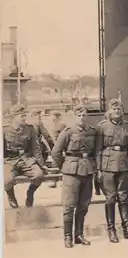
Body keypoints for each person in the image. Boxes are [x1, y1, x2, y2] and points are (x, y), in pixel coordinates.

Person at [51, 104, 98, 248]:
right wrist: (65, 167)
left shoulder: (92, 132)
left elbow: (96, 151)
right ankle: (67, 236)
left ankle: (79, 234)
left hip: (88, 169)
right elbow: (56, 153)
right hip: (71, 171)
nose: (82, 118)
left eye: (84, 115)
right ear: (74, 116)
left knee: (84, 205)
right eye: (79, 115)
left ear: (87, 116)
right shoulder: (67, 132)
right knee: (69, 205)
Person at [96, 99, 128, 243]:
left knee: (124, 197)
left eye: (119, 109)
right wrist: (99, 169)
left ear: (122, 111)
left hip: (124, 164)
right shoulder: (102, 127)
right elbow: (98, 150)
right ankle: (111, 230)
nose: (117, 111)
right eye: (114, 109)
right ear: (110, 111)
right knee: (110, 198)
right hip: (107, 165)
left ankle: (127, 230)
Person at [3, 104, 46, 208]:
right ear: (14, 117)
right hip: (10, 161)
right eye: (22, 116)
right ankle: (11, 195)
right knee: (6, 180)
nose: (25, 118)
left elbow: (36, 148)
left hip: (27, 160)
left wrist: (41, 164)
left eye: (25, 115)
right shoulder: (4, 130)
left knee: (39, 175)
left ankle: (30, 193)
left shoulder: (30, 129)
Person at [48, 110, 67, 188]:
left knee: (60, 164)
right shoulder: (52, 125)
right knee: (55, 163)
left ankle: (61, 180)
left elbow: (63, 137)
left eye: (52, 116)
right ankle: (54, 180)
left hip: (60, 147)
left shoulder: (61, 124)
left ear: (57, 117)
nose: (51, 117)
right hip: (55, 147)